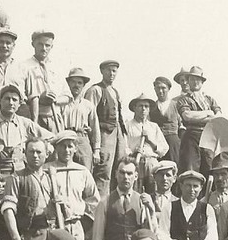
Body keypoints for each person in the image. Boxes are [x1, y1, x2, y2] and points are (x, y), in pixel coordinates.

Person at [94, 158, 158, 240]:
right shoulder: (105, 202)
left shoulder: (142, 201)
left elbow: (151, 233)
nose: (125, 177)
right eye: (122, 173)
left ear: (136, 176)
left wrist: (151, 211)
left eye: (129, 173)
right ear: (116, 174)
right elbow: (97, 237)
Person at [84, 59, 125, 196]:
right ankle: (99, 207)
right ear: (102, 71)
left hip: (116, 134)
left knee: (118, 169)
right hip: (103, 135)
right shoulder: (95, 90)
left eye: (114, 71)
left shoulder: (115, 91)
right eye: (108, 70)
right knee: (103, 171)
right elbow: (88, 115)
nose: (111, 73)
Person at [174, 65, 221, 175]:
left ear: (202, 82)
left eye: (198, 79)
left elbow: (219, 117)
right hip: (191, 137)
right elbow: (187, 116)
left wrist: (203, 117)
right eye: (192, 79)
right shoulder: (183, 100)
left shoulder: (209, 100)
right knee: (190, 171)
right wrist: (208, 113)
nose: (195, 81)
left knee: (209, 169)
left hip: (209, 137)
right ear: (188, 81)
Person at [15, 30, 63, 122]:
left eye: (47, 45)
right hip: (33, 118)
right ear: (33, 44)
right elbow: (20, 95)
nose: (44, 48)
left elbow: (67, 96)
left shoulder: (57, 68)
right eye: (40, 44)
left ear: (52, 46)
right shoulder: (23, 66)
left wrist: (54, 99)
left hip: (55, 119)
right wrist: (39, 99)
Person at [122, 94, 168, 191]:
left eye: (146, 106)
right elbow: (124, 146)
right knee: (135, 191)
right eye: (140, 106)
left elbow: (164, 149)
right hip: (135, 162)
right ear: (134, 108)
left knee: (153, 192)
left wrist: (150, 141)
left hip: (151, 162)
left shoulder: (154, 127)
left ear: (149, 109)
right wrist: (132, 152)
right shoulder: (127, 126)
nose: (143, 109)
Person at [58, 67, 101, 168]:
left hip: (82, 139)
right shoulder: (61, 104)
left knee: (85, 169)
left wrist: (96, 150)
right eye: (73, 82)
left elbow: (95, 129)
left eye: (79, 83)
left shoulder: (88, 105)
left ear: (83, 85)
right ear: (68, 84)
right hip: (65, 138)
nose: (76, 85)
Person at [151, 75, 182, 164]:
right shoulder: (152, 107)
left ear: (168, 89)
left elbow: (182, 125)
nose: (160, 91)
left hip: (173, 142)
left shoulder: (176, 105)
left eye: (163, 88)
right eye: (158, 88)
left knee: (174, 166)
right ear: (155, 89)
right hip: (158, 142)